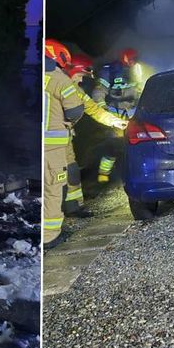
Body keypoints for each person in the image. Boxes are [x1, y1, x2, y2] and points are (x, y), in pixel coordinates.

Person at [63, 54, 127, 215]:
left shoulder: (76, 90)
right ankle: (55, 211)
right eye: (79, 76)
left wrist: (115, 121)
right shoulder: (56, 86)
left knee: (71, 171)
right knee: (57, 175)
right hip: (51, 141)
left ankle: (74, 207)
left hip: (64, 138)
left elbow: (92, 108)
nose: (80, 81)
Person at [43, 39, 86, 249]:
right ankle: (49, 236)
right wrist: (68, 123)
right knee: (54, 188)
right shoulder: (58, 79)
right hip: (52, 147)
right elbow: (76, 111)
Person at [94, 48, 153, 182]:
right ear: (124, 59)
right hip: (114, 113)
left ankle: (137, 173)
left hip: (132, 113)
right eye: (130, 60)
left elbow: (142, 89)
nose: (132, 62)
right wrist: (103, 109)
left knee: (136, 143)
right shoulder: (110, 71)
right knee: (113, 146)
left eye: (134, 59)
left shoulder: (138, 70)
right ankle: (103, 174)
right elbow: (99, 92)